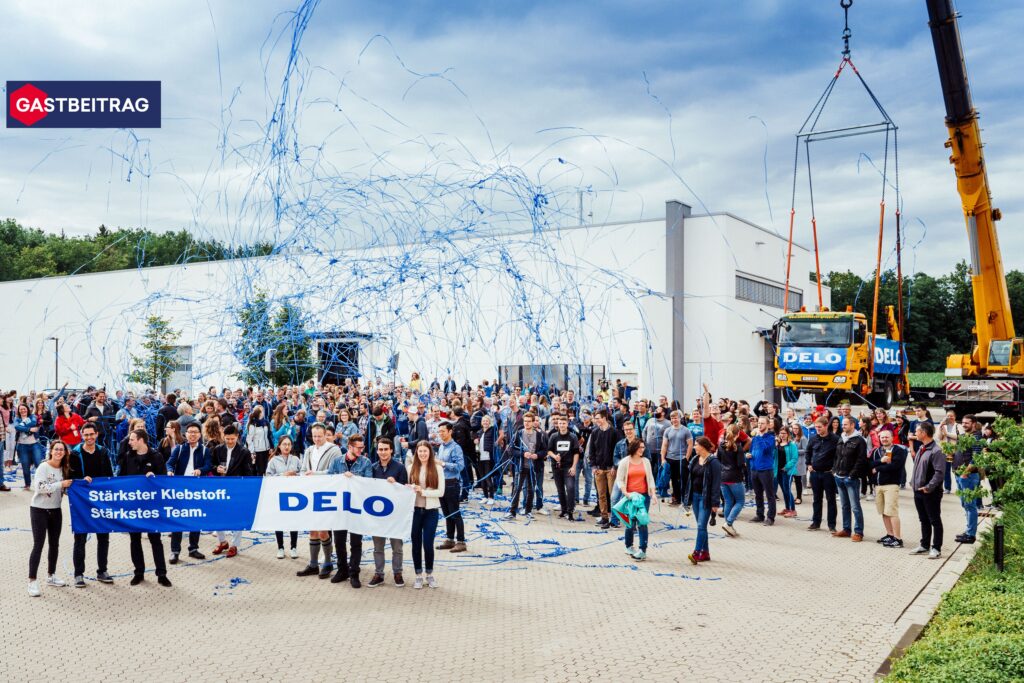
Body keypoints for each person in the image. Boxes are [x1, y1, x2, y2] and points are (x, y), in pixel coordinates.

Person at [119, 429, 172, 587]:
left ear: (141, 440)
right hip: (133, 506)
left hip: (151, 506)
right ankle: (138, 572)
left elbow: (163, 480)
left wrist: (154, 478)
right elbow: (120, 478)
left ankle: (161, 573)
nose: (129, 442)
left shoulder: (156, 456)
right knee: (135, 539)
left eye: (132, 439)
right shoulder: (128, 456)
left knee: (155, 539)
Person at [68, 423, 115, 587]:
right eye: (85, 435)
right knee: (80, 538)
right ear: (82, 435)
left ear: (96, 435)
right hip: (82, 502)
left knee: (103, 537)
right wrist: (82, 480)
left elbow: (109, 475)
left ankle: (102, 570)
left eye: (91, 434)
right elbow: (71, 477)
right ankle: (78, 574)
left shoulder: (103, 452)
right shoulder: (75, 453)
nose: (88, 438)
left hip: (100, 500)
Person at [27, 439, 73, 597]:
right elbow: (39, 488)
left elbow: (67, 486)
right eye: (56, 449)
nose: (59, 452)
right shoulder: (43, 466)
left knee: (54, 544)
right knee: (38, 545)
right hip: (39, 510)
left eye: (62, 449)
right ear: (51, 451)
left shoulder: (64, 468)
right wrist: (60, 485)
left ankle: (51, 575)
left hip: (55, 510)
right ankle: (32, 580)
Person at [296, 422, 342, 578]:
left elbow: (333, 471)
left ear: (325, 435)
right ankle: (313, 564)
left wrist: (313, 474)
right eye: (314, 436)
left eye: (319, 436)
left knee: (323, 530)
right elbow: (303, 469)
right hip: (311, 492)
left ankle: (328, 562)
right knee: (312, 529)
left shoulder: (334, 450)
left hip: (326, 492)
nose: (316, 439)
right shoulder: (309, 450)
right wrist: (304, 475)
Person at [328, 433, 373, 588]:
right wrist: (342, 477)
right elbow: (329, 481)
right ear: (350, 447)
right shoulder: (336, 462)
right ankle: (342, 570)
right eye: (358, 447)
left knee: (356, 542)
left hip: (356, 508)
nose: (361, 450)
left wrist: (353, 478)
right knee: (339, 541)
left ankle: (354, 573)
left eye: (362, 447)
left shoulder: (366, 462)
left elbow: (368, 483)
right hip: (340, 507)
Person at [165, 422, 212, 563]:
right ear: (186, 434)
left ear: (199, 434)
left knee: (195, 518)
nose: (192, 434)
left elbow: (209, 465)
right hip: (180, 489)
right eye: (190, 432)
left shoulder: (204, 450)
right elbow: (169, 463)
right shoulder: (179, 449)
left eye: (195, 432)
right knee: (178, 520)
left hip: (196, 489)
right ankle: (175, 551)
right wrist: (169, 470)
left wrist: (201, 470)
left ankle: (193, 548)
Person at [369, 437, 408, 587]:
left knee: (397, 547)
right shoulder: (373, 468)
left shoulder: (399, 467)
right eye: (380, 449)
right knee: (378, 547)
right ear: (377, 451)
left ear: (391, 450)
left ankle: (397, 573)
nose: (383, 452)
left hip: (395, 516)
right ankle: (379, 574)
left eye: (386, 449)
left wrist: (396, 484)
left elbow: (405, 490)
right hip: (377, 516)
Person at [209, 424, 252, 558]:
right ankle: (222, 542)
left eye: (232, 439)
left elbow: (248, 472)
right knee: (216, 515)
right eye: (227, 439)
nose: (230, 441)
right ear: (223, 437)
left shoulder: (244, 452)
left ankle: (235, 545)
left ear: (237, 437)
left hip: (236, 487)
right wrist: (216, 469)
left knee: (236, 516)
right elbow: (212, 464)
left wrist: (243, 488)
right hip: (220, 486)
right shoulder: (217, 449)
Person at [407, 441, 445, 589]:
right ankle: (418, 575)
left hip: (431, 511)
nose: (423, 454)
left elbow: (440, 492)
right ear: (416, 452)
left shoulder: (437, 468)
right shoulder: (410, 468)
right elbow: (407, 489)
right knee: (415, 544)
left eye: (425, 451)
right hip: (415, 511)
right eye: (420, 451)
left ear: (430, 452)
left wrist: (422, 491)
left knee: (428, 544)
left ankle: (429, 573)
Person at [615, 439, 657, 561]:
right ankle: (628, 546)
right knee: (630, 523)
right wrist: (625, 493)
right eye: (640, 447)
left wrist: (653, 494)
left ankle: (642, 550)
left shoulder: (646, 462)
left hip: (643, 497)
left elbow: (650, 479)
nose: (642, 450)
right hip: (630, 497)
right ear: (633, 448)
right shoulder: (624, 462)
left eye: (643, 447)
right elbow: (620, 479)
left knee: (643, 523)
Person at [910, 421, 945, 559]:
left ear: (924, 433)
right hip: (918, 490)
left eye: (917, 431)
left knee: (934, 520)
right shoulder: (921, 448)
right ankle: (924, 545)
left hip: (930, 492)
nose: (915, 434)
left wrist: (929, 487)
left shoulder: (936, 451)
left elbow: (939, 473)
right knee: (923, 519)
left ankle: (936, 548)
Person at [685, 437, 722, 564]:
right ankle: (705, 553)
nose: (694, 447)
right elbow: (690, 478)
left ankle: (696, 553)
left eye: (696, 445)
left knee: (701, 526)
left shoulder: (714, 462)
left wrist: (715, 503)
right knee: (701, 527)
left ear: (703, 446)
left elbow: (717, 483)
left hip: (706, 498)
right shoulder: (695, 459)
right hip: (695, 496)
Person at [265, 434, 300, 558]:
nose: (287, 446)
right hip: (279, 494)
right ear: (279, 446)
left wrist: (295, 475)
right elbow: (268, 476)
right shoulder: (273, 460)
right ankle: (280, 547)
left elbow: (302, 473)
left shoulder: (296, 459)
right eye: (284, 444)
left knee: (293, 521)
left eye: (289, 444)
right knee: (278, 520)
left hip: (294, 494)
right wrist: (282, 475)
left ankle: (294, 547)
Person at [871, 429, 907, 548]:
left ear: (892, 438)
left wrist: (878, 468)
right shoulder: (876, 451)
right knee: (884, 512)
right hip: (878, 485)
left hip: (891, 485)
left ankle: (898, 539)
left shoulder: (898, 450)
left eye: (887, 437)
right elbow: (869, 465)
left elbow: (896, 466)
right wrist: (880, 461)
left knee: (892, 512)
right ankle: (890, 535)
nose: (884, 439)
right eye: (882, 437)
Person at [833, 416, 867, 541]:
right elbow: (837, 456)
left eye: (845, 424)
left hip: (851, 478)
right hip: (839, 476)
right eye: (843, 424)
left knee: (855, 507)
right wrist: (834, 471)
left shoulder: (859, 440)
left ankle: (858, 532)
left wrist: (852, 475)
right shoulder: (841, 438)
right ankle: (846, 529)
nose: (843, 426)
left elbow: (861, 460)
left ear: (853, 425)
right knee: (844, 506)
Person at [434, 422, 467, 551]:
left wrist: (442, 464)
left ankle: (461, 541)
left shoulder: (455, 447)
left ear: (450, 431)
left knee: (455, 513)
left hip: (452, 483)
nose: (441, 433)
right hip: (442, 484)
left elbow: (459, 466)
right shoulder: (441, 447)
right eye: (439, 431)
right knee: (447, 513)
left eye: (443, 431)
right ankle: (449, 538)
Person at [952, 414, 984, 544]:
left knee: (970, 506)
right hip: (959, 474)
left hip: (968, 476)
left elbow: (976, 458)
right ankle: (968, 530)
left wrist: (965, 473)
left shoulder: (976, 437)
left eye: (967, 423)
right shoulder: (964, 436)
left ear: (974, 424)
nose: (964, 425)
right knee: (965, 504)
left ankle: (971, 535)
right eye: (963, 422)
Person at [806, 416, 840, 533]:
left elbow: (839, 455)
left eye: (820, 427)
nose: (817, 429)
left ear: (826, 426)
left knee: (831, 500)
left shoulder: (835, 439)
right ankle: (816, 522)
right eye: (816, 427)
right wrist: (808, 464)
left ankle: (831, 525)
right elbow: (808, 451)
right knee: (816, 499)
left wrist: (834, 468)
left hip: (828, 474)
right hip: (815, 473)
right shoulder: (813, 438)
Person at [547, 414, 581, 520]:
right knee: (560, 489)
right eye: (560, 423)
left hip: (569, 466)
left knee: (570, 488)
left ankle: (570, 511)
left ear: (567, 424)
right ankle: (563, 509)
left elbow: (576, 452)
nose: (561, 425)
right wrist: (554, 456)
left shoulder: (573, 437)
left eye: (563, 423)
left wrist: (574, 466)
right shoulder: (553, 436)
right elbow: (549, 450)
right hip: (556, 466)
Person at [747, 416, 777, 525]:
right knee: (757, 494)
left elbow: (765, 448)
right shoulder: (755, 439)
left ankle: (770, 517)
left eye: (762, 423)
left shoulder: (770, 437)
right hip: (754, 469)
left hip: (765, 470)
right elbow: (751, 451)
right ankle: (760, 514)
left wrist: (759, 436)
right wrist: (748, 456)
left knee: (769, 494)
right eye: (759, 423)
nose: (759, 425)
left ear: (768, 425)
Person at [718, 424, 746, 536]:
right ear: (738, 434)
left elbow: (718, 460)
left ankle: (728, 527)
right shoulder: (737, 447)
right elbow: (740, 464)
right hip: (735, 477)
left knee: (728, 501)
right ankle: (728, 523)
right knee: (740, 501)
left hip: (723, 477)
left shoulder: (721, 445)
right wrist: (745, 464)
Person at [660, 410, 692, 507]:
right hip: (670, 458)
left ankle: (686, 499)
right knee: (673, 480)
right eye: (672, 418)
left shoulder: (686, 430)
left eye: (676, 418)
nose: (674, 420)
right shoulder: (668, 430)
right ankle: (677, 498)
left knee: (684, 479)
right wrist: (663, 459)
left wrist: (686, 458)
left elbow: (690, 445)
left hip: (682, 459)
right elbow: (664, 445)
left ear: (680, 418)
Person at [13, 403, 43, 490]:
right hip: (22, 446)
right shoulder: (17, 419)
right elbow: (16, 427)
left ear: (27, 409)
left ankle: (42, 484)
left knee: (39, 465)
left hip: (35, 444)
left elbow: (34, 422)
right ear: (18, 410)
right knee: (25, 466)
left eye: (24, 408)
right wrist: (29, 429)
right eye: (21, 409)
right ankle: (27, 484)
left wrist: (21, 426)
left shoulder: (32, 417)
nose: (23, 410)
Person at [935, 410, 960, 494]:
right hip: (945, 451)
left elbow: (959, 437)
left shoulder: (958, 426)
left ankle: (960, 487)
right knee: (946, 470)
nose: (949, 417)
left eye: (951, 416)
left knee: (957, 470)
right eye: (948, 416)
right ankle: (947, 488)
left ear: (955, 417)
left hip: (956, 451)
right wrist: (940, 426)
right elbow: (939, 437)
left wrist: (947, 434)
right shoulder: (943, 426)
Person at [776, 427, 799, 518]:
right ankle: (787, 508)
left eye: (784, 433)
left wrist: (786, 467)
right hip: (778, 471)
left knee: (787, 490)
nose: (782, 435)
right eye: (781, 433)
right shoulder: (778, 444)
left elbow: (794, 458)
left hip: (787, 471)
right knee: (784, 490)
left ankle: (793, 510)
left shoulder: (791, 445)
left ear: (788, 434)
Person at [245, 405, 272, 476]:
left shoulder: (266, 422)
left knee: (266, 469)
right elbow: (249, 439)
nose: (263, 412)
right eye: (261, 411)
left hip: (266, 449)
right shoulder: (252, 424)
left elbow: (268, 436)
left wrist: (270, 447)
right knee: (259, 470)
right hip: (257, 451)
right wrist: (252, 451)